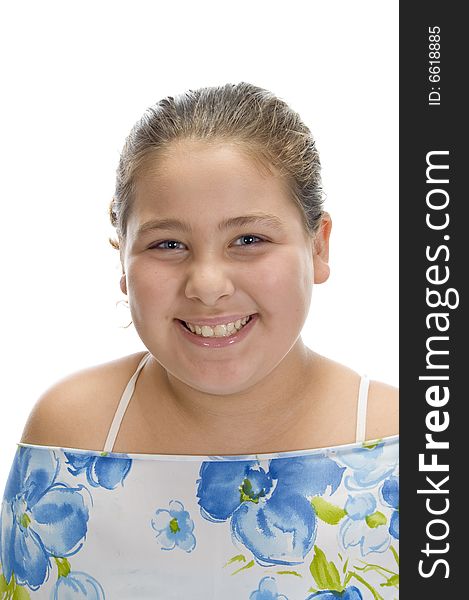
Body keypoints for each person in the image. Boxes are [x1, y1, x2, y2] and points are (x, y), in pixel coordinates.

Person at [0, 82, 399, 599]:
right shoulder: (71, 432)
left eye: (249, 239)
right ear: (122, 259)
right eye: (168, 243)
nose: (208, 285)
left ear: (318, 246)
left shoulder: (409, 445)